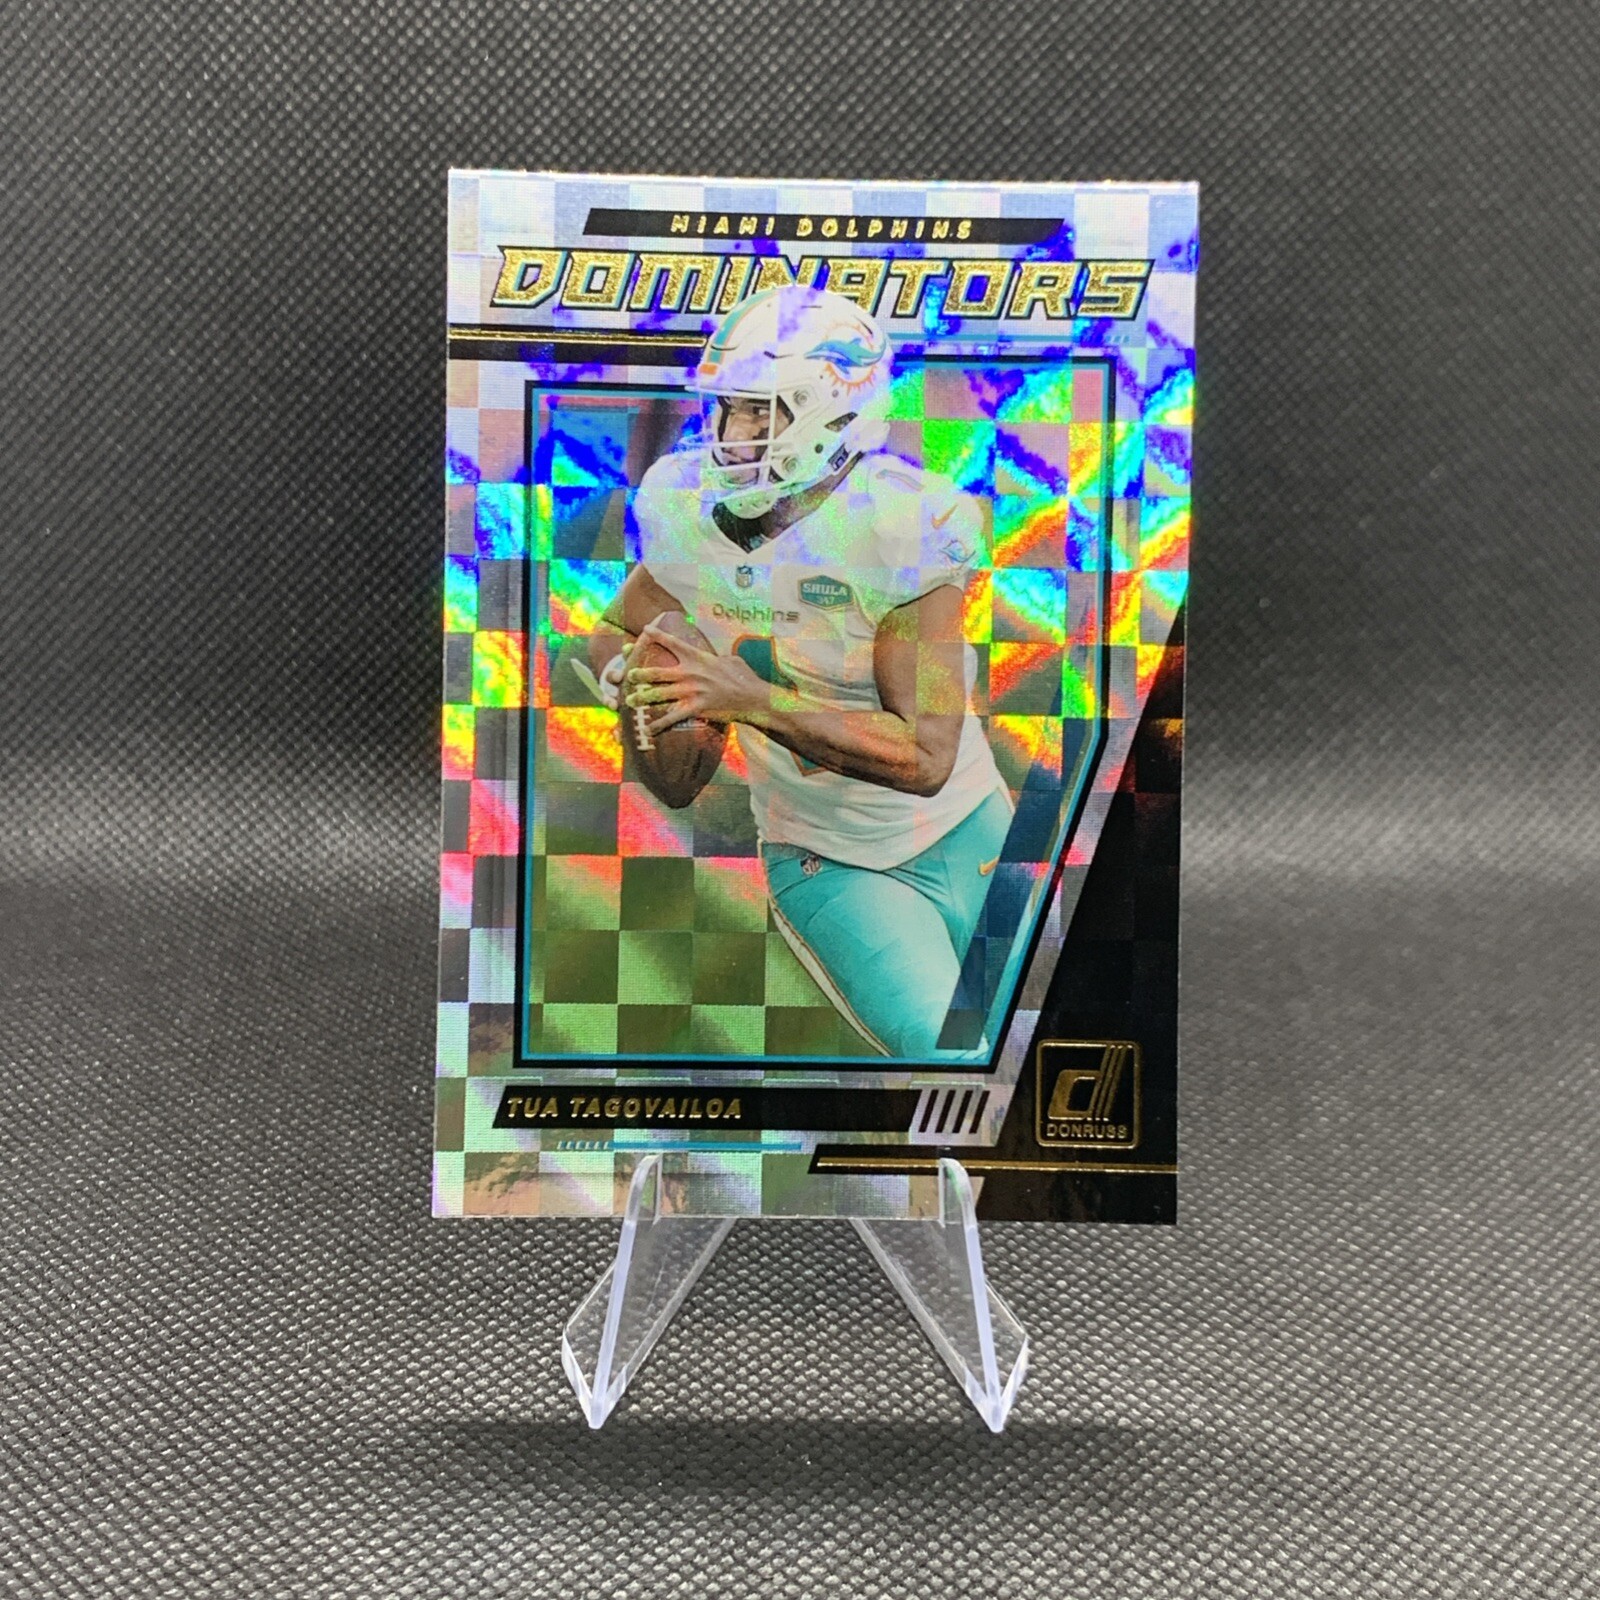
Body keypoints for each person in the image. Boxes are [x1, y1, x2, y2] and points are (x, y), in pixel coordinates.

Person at [587, 284, 1010, 1058]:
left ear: (832, 415)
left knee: (1054, 1032)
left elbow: (927, 754)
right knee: (947, 1053)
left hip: (969, 828)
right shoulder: (685, 509)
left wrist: (749, 699)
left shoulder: (903, 526)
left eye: (760, 413)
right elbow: (623, 627)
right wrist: (631, 681)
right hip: (829, 860)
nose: (732, 436)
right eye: (726, 410)